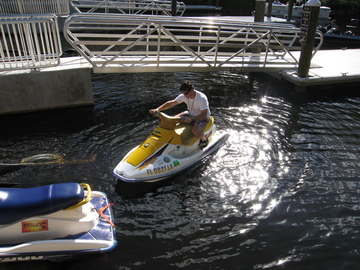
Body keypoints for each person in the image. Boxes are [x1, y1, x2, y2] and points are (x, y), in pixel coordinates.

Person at [149, 80, 210, 149]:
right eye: (183, 94)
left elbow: (204, 115)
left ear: (192, 90)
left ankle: (204, 139)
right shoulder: (184, 96)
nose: (185, 96)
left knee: (195, 131)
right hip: (190, 113)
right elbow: (171, 103)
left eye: (186, 93)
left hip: (201, 117)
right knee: (172, 121)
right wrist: (157, 109)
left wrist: (192, 119)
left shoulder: (202, 98)